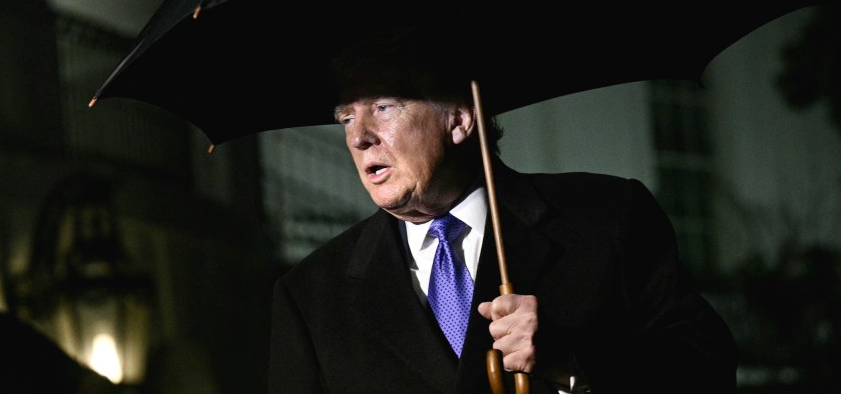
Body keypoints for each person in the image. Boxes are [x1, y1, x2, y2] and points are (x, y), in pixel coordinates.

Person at [266, 27, 738, 393]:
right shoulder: (310, 295)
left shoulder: (610, 218)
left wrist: (569, 361)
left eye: (384, 107)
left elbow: (706, 371)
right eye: (346, 118)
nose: (357, 136)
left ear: (459, 118)